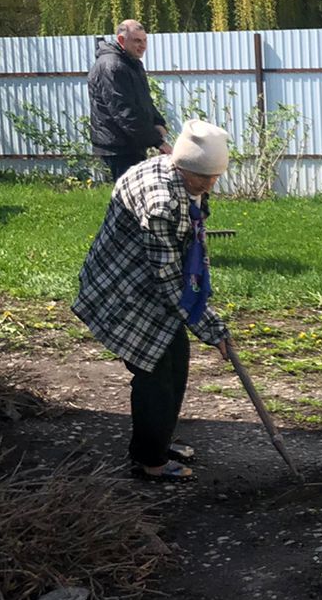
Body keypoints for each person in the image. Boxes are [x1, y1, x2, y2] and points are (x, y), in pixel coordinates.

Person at [73, 120, 231, 480]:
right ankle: (150, 461)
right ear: (181, 165)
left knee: (176, 359)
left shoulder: (183, 177)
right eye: (202, 178)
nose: (209, 186)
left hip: (146, 278)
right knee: (155, 370)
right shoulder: (161, 202)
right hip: (122, 287)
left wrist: (202, 308)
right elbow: (170, 278)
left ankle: (157, 439)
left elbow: (186, 250)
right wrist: (211, 327)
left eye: (214, 177)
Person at [88, 19, 171, 182]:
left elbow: (144, 100)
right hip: (119, 146)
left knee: (136, 195)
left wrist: (158, 121)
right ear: (121, 40)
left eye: (145, 40)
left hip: (131, 143)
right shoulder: (112, 66)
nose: (143, 45)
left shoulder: (132, 63)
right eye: (137, 41)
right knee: (129, 197)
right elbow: (124, 112)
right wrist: (158, 142)